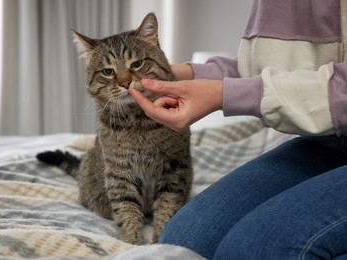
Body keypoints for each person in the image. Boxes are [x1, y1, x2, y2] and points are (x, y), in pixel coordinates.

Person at [129, 0, 347, 259]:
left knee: (256, 248)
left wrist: (222, 95)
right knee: (183, 240)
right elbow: (265, 67)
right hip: (331, 139)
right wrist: (174, 75)